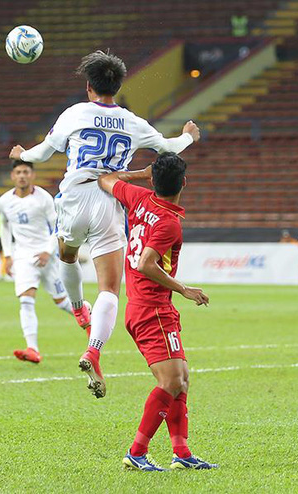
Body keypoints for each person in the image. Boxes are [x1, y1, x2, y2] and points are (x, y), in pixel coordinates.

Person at [9, 50, 200, 398]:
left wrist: (21, 154)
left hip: (75, 197)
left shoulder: (76, 113)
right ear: (118, 84)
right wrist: (188, 135)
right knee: (110, 289)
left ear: (88, 86)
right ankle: (94, 349)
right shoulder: (133, 121)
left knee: (67, 256)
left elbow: (42, 152)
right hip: (111, 201)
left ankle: (79, 310)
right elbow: (170, 148)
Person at [98, 153, 217, 471]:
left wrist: (139, 174)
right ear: (184, 183)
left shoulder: (139, 197)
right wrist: (185, 290)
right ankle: (136, 452)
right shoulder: (168, 223)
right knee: (171, 382)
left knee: (182, 379)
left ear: (153, 181)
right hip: (152, 309)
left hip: (149, 306)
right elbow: (145, 263)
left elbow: (106, 180)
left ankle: (182, 453)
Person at [0, 161, 79, 363]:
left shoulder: (43, 198)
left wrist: (48, 251)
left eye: (26, 172)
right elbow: (4, 227)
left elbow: (56, 226)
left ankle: (94, 320)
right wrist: (8, 255)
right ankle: (32, 349)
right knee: (26, 299)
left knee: (62, 302)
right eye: (18, 172)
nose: (22, 176)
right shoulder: (4, 201)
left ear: (32, 175)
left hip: (46, 256)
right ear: (12, 176)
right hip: (23, 256)